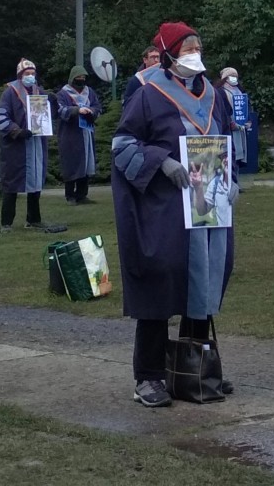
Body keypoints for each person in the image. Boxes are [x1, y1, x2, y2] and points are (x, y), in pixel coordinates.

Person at [111, 20, 238, 408]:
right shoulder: (149, 95)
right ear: (168, 55)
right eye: (186, 48)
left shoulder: (215, 95)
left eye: (198, 46)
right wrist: (161, 162)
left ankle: (195, 369)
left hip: (207, 208)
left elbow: (226, 140)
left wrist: (233, 179)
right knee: (160, 283)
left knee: (204, 284)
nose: (194, 52)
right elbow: (122, 143)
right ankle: (147, 377)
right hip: (165, 207)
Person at [0, 60, 67, 233]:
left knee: (35, 183)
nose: (30, 76)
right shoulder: (9, 93)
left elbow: (51, 117)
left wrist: (53, 103)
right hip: (16, 147)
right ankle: (6, 222)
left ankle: (33, 219)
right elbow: (0, 118)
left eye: (32, 73)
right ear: (20, 76)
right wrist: (16, 131)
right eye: (27, 73)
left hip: (36, 145)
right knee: (11, 183)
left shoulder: (39, 93)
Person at [57, 66, 100, 204]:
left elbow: (97, 107)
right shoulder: (63, 94)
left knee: (86, 163)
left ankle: (82, 195)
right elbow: (60, 110)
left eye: (83, 77)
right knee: (71, 163)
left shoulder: (90, 92)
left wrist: (91, 112)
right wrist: (77, 110)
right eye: (78, 77)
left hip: (86, 133)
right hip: (70, 135)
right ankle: (70, 195)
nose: (81, 80)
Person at [219, 68, 260, 181]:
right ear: (225, 78)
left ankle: (236, 181)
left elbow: (246, 108)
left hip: (240, 129)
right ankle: (230, 181)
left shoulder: (240, 91)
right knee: (230, 154)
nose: (234, 77)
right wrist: (229, 122)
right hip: (229, 128)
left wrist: (248, 120)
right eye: (231, 75)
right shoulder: (221, 92)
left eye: (235, 75)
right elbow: (222, 110)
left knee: (239, 156)